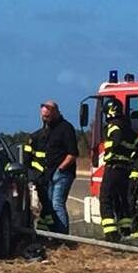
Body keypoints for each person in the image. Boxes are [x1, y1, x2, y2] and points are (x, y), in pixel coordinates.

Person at [99, 98, 138, 241]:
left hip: (113, 167)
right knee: (122, 200)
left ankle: (111, 234)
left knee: (105, 199)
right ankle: (126, 230)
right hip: (125, 170)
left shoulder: (113, 127)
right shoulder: (128, 129)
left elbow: (115, 141)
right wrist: (132, 155)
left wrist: (111, 152)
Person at [40, 100, 79, 234]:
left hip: (63, 173)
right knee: (50, 205)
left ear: (55, 112)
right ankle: (54, 233)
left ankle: (63, 236)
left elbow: (73, 154)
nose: (45, 119)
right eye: (43, 116)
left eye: (47, 116)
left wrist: (61, 169)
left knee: (57, 204)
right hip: (50, 173)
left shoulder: (65, 128)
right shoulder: (49, 129)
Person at [23, 126, 54, 231]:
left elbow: (26, 158)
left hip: (39, 175)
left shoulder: (34, 137)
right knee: (46, 203)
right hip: (41, 175)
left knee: (46, 204)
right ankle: (48, 229)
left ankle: (44, 229)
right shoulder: (37, 137)